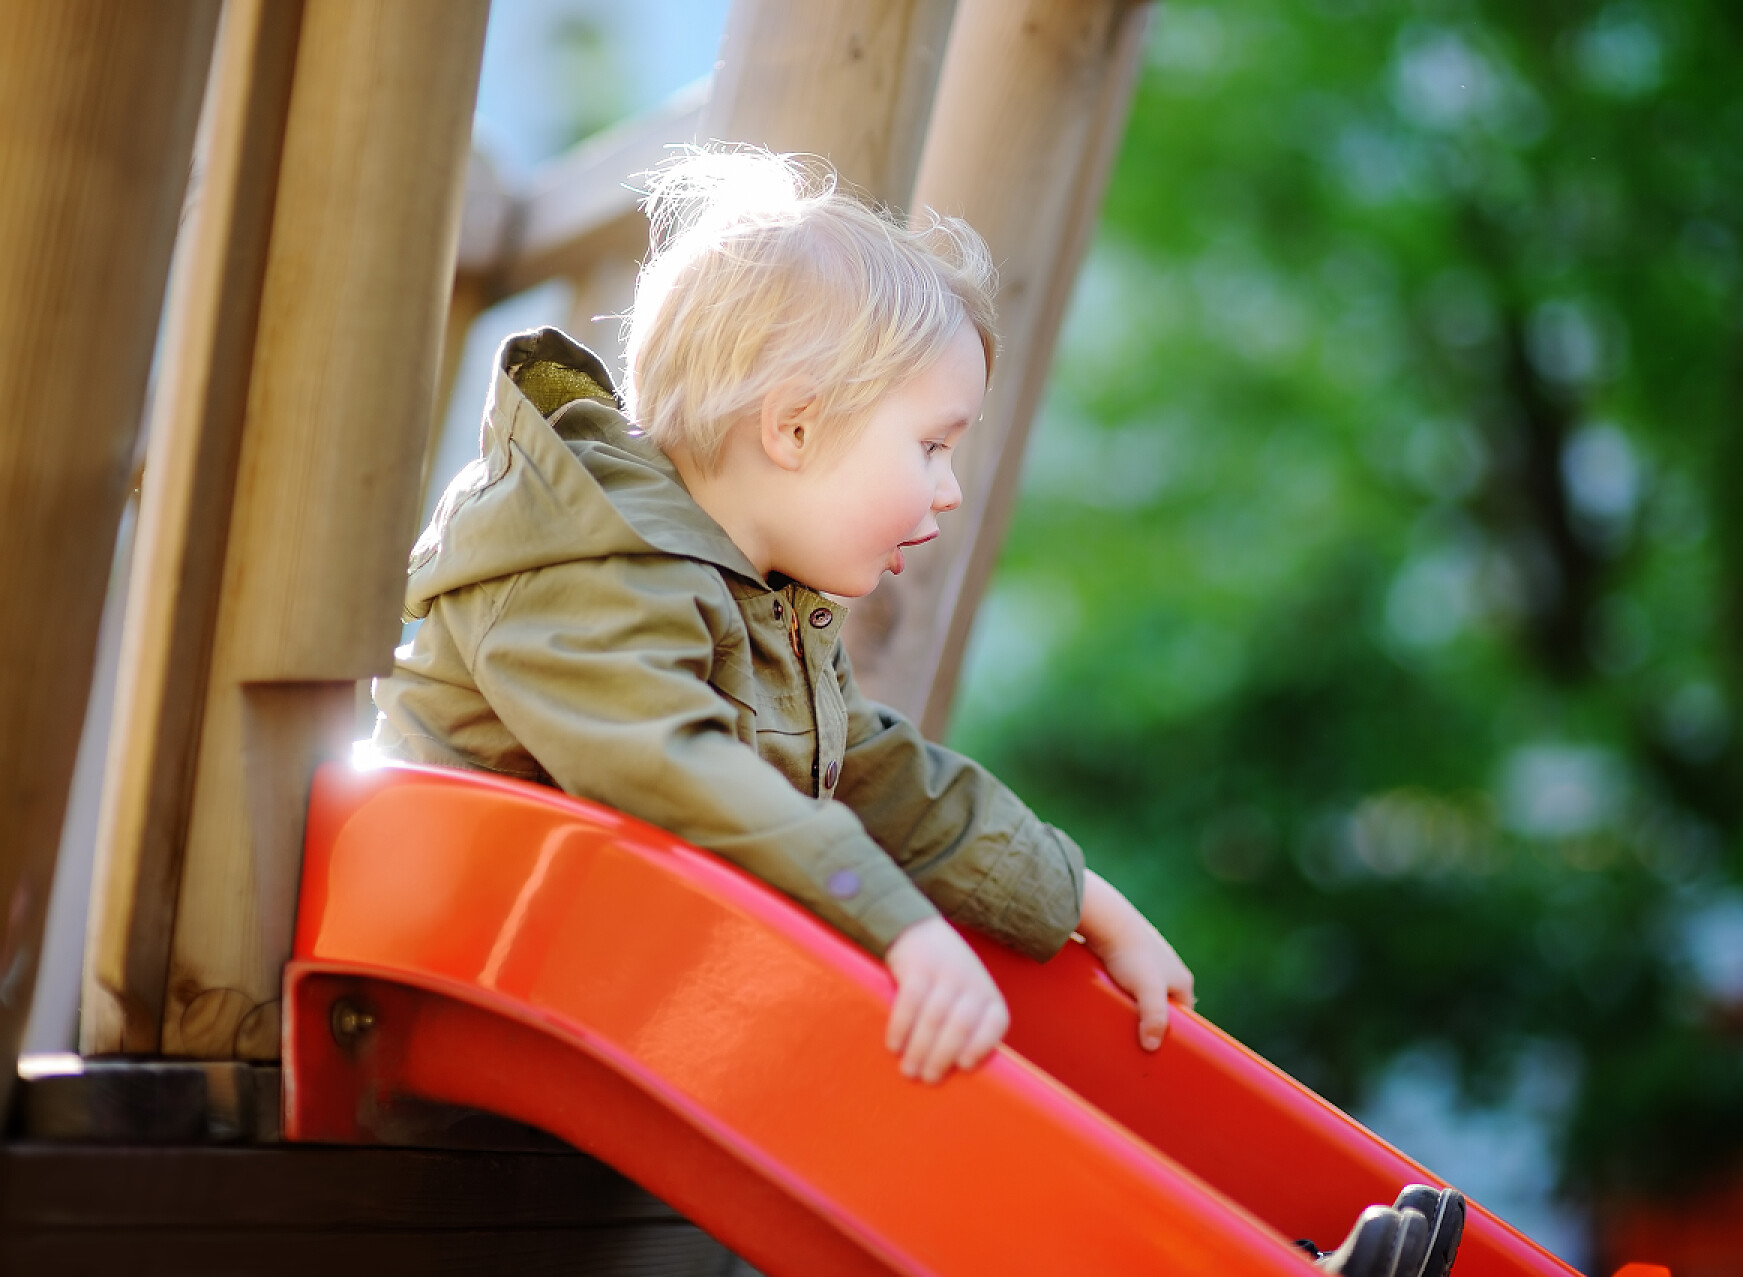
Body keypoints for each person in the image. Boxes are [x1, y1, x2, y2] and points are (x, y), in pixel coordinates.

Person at [370, 147, 1460, 1277]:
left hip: (630, 970)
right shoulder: (583, 575)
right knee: (911, 1072)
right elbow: (675, 770)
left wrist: (1080, 897)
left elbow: (877, 774)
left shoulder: (749, 598)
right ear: (791, 429)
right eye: (930, 444)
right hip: (490, 965)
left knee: (939, 1053)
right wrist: (899, 925)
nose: (948, 488)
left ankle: (1242, 1246)